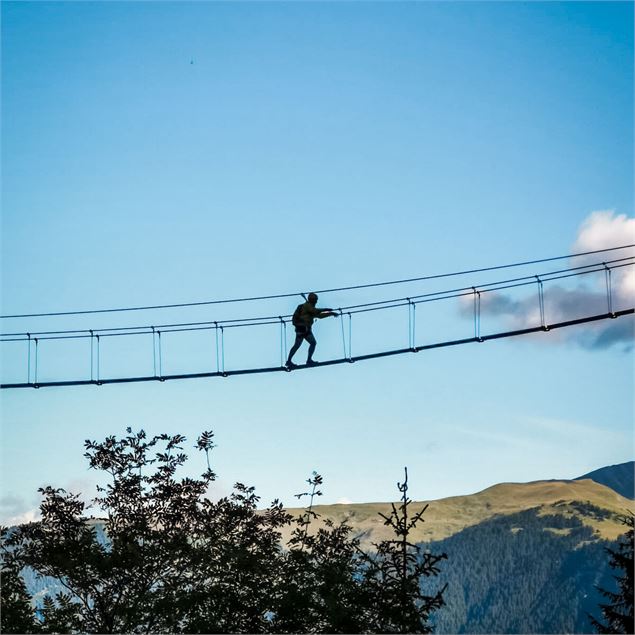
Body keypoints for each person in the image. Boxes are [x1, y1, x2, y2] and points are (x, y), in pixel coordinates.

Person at [286, 293, 338, 368]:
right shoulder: (307, 306)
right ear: (312, 300)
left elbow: (319, 316)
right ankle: (298, 360)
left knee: (307, 344)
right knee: (304, 344)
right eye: (315, 300)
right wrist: (326, 309)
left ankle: (293, 361)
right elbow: (316, 311)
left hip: (305, 329)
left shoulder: (310, 308)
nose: (316, 302)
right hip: (302, 328)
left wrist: (330, 313)